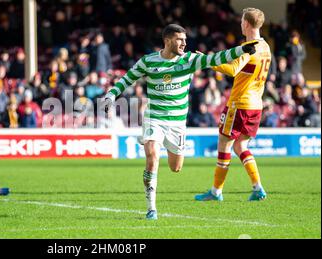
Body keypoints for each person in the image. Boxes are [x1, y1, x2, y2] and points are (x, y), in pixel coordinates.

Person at [103, 24, 258, 220]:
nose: (184, 43)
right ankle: (151, 208)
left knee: (175, 167)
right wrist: (110, 95)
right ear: (167, 41)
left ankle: (159, 157)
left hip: (177, 124)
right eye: (180, 39)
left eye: (185, 39)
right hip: (154, 118)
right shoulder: (148, 61)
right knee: (152, 157)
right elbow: (126, 79)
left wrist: (241, 50)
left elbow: (215, 58)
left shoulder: (189, 60)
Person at [195, 8, 271, 202]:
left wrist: (207, 61)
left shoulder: (250, 46)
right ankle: (258, 187)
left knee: (224, 143)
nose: (240, 24)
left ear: (246, 24)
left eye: (241, 21)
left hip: (240, 104)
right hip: (256, 104)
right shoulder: (266, 47)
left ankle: (216, 192)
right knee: (241, 145)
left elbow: (233, 69)